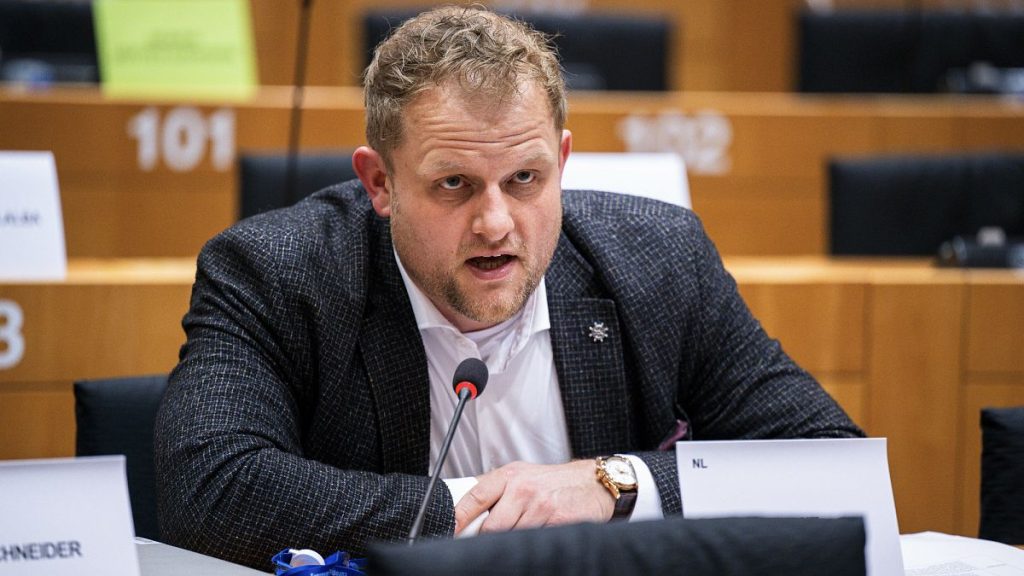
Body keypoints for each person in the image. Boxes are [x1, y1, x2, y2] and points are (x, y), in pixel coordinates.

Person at [155, 5, 862, 569]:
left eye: (525, 179)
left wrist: (610, 485)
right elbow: (210, 490)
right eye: (454, 184)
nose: (496, 223)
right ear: (380, 183)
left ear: (560, 160)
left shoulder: (659, 259)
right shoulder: (275, 272)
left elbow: (833, 465)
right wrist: (483, 513)